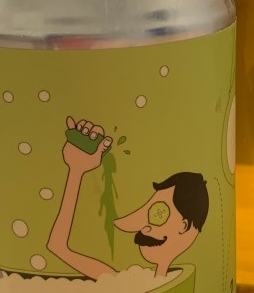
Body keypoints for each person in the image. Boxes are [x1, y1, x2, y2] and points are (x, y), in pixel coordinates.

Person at [48, 117, 209, 280]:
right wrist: (76, 170)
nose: (144, 230)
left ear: (184, 225)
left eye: (158, 214)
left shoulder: (145, 284)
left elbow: (58, 247)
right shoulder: (129, 283)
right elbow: (57, 247)